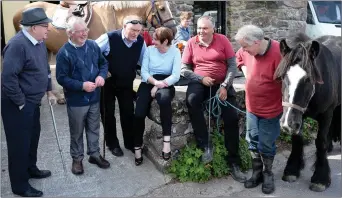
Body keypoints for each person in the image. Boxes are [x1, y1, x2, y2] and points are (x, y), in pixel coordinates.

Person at [180, 16, 246, 183]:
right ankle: (205, 144)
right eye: (199, 28)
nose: (201, 31)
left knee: (231, 117)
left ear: (213, 30)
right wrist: (199, 78)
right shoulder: (191, 42)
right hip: (200, 81)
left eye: (205, 28)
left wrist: (224, 85)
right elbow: (184, 69)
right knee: (192, 99)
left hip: (221, 83)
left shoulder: (222, 40)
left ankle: (234, 161)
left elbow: (232, 66)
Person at [1, 7, 56, 197]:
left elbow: (44, 68)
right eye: (45, 25)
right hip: (17, 105)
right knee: (19, 144)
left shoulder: (39, 42)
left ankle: (30, 168)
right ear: (33, 27)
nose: (49, 28)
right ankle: (19, 185)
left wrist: (49, 89)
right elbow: (8, 78)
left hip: (33, 102)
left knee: (32, 139)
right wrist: (21, 102)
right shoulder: (17, 45)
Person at [56, 16, 110, 175]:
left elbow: (103, 63)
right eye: (80, 31)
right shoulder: (64, 53)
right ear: (70, 33)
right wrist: (81, 85)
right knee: (77, 131)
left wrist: (101, 75)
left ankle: (94, 154)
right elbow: (61, 78)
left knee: (94, 128)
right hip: (76, 101)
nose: (84, 34)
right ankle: (77, 159)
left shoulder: (93, 45)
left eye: (85, 30)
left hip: (94, 97)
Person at [234, 24, 283, 194]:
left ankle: (268, 174)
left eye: (245, 46)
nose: (243, 49)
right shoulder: (246, 50)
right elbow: (239, 57)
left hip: (271, 109)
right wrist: (247, 72)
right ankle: (257, 173)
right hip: (252, 107)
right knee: (252, 140)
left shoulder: (279, 52)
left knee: (266, 144)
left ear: (256, 42)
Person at [95, 15, 147, 157]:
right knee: (108, 114)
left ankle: (130, 143)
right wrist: (100, 72)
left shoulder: (141, 42)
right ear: (124, 27)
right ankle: (112, 144)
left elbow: (145, 63)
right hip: (108, 83)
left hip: (126, 83)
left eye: (138, 30)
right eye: (132, 30)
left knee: (128, 113)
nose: (135, 33)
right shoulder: (109, 37)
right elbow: (92, 53)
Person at [133, 27, 181, 166]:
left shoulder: (175, 52)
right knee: (139, 112)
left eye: (155, 39)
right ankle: (137, 145)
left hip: (167, 82)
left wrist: (160, 85)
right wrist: (154, 83)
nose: (152, 41)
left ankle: (167, 142)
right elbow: (144, 72)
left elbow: (176, 75)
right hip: (149, 81)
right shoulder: (149, 50)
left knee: (164, 99)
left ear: (165, 41)